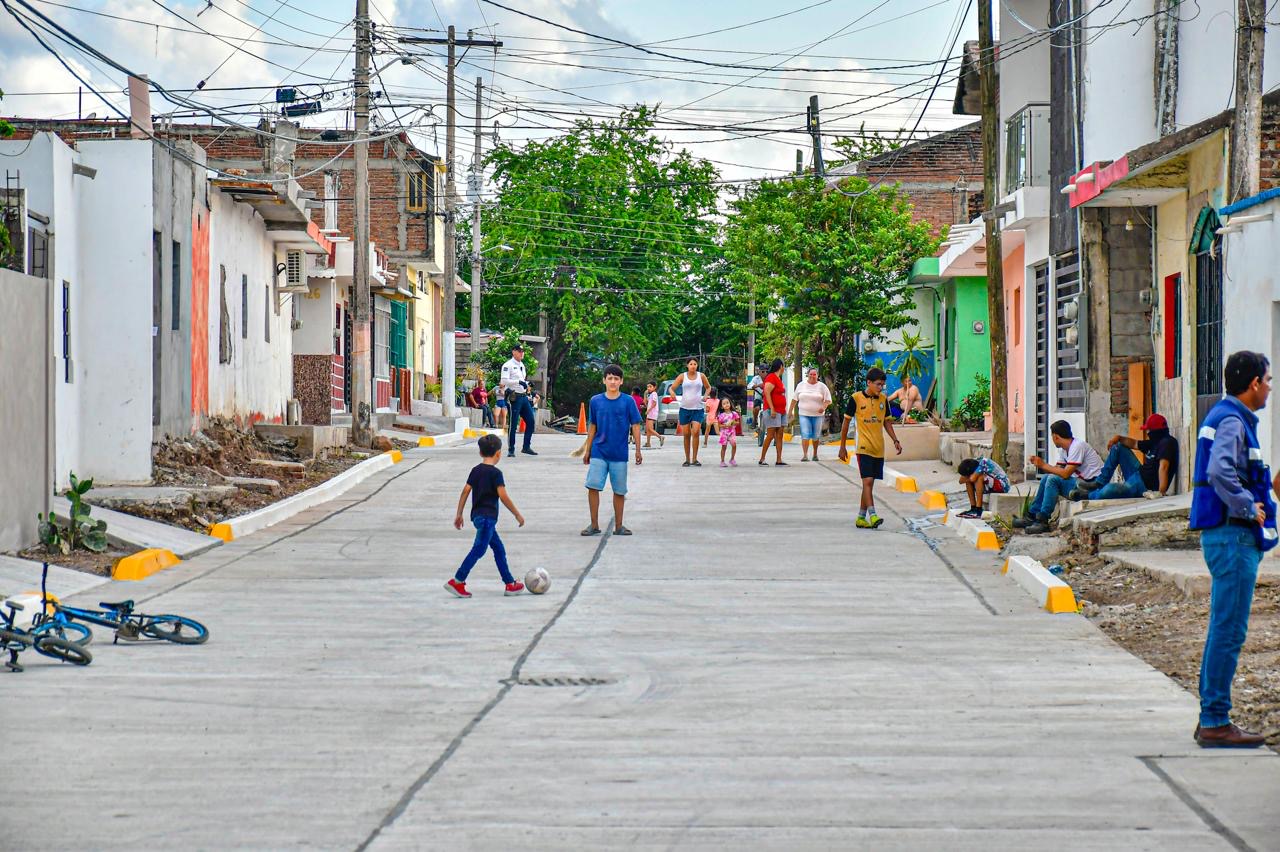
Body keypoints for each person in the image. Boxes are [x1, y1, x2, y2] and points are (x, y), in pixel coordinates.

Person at [1188, 351, 1278, 748]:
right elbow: (1219, 470)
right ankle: (1214, 720)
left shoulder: (1228, 417)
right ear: (1254, 383)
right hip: (1232, 536)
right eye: (1268, 381)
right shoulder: (1231, 420)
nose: (1270, 388)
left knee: (1223, 627)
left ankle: (1213, 716)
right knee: (1229, 629)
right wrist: (1246, 506)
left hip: (1228, 536)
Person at [445, 434, 526, 598]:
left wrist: (459, 514)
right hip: (488, 519)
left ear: (480, 453)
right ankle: (458, 580)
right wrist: (517, 514)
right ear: (498, 453)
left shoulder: (476, 470)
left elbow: (465, 491)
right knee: (479, 549)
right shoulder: (496, 474)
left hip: (478, 517)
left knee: (498, 549)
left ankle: (509, 583)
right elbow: (503, 496)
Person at [582, 364, 643, 536]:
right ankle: (594, 525)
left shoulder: (628, 401)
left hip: (619, 454)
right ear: (604, 380)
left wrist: (638, 450)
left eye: (616, 378)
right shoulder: (595, 401)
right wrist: (588, 450)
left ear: (621, 381)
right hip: (599, 451)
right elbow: (592, 426)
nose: (613, 382)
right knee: (593, 486)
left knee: (619, 490)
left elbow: (636, 426)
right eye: (610, 378)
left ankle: (619, 526)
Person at [838, 367, 902, 528]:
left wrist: (895, 440)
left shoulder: (883, 400)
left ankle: (861, 517)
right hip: (863, 447)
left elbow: (887, 422)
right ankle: (873, 515)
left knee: (869, 484)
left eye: (882, 385)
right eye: (878, 384)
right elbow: (845, 423)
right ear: (869, 382)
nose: (881, 387)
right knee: (867, 481)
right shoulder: (856, 398)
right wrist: (842, 446)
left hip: (878, 448)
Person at [1015, 420, 1104, 534]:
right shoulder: (1064, 450)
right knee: (1047, 478)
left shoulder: (1077, 446)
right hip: (1081, 484)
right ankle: (1032, 516)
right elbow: (1057, 470)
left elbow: (1065, 473)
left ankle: (1043, 520)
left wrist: (1043, 465)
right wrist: (1041, 465)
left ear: (1055, 436)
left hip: (1091, 487)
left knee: (1052, 479)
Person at [1070, 414, 1179, 501]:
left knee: (1109, 490)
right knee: (1118, 447)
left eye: (1149, 430)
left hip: (1143, 486)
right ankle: (1099, 483)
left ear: (1156, 431)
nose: (1147, 433)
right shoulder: (1155, 442)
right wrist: (1119, 438)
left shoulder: (1167, 443)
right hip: (1138, 473)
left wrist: (1161, 492)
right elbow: (1134, 444)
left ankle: (1087, 496)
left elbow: (1164, 467)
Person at [671, 358, 711, 467]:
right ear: (687, 365)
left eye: (695, 364)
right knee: (686, 434)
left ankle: (695, 459)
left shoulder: (701, 376)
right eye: (691, 364)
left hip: (698, 408)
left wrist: (706, 395)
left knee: (696, 431)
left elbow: (708, 387)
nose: (693, 366)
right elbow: (672, 388)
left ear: (697, 365)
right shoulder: (682, 376)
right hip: (685, 409)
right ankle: (687, 459)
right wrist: (672, 393)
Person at [500, 344, 537, 456]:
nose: (522, 353)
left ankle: (526, 447)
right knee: (513, 424)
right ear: (514, 352)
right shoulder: (508, 365)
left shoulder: (522, 365)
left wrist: (527, 383)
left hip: (523, 396)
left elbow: (522, 380)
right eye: (519, 351)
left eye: (522, 351)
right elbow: (504, 381)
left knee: (531, 421)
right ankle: (511, 449)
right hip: (514, 397)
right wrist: (518, 382)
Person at [790, 367, 832, 462]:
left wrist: (823, 407)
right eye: (811, 374)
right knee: (805, 433)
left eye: (814, 374)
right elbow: (794, 399)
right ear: (808, 375)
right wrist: (790, 411)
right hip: (804, 414)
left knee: (816, 435)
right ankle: (805, 455)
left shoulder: (822, 386)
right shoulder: (801, 385)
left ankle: (815, 454)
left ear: (817, 376)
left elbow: (828, 400)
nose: (812, 376)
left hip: (818, 415)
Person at [757, 358, 789, 466]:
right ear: (780, 366)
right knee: (770, 434)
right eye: (783, 366)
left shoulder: (778, 378)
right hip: (773, 410)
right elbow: (767, 392)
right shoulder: (771, 377)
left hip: (781, 410)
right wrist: (772, 408)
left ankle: (779, 459)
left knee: (780, 435)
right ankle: (762, 458)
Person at [716, 396, 740, 467]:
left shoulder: (734, 414)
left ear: (730, 403)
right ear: (721, 406)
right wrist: (725, 425)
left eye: (727, 403)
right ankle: (722, 461)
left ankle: (732, 459)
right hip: (724, 433)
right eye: (724, 404)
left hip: (732, 432)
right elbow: (719, 425)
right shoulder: (721, 415)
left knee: (734, 445)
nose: (726, 404)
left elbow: (738, 422)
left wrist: (733, 422)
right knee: (724, 447)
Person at [643, 381, 664, 449]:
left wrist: (648, 410)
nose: (648, 388)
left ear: (655, 387)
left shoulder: (654, 394)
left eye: (650, 386)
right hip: (650, 413)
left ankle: (660, 437)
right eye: (647, 387)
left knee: (650, 429)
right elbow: (646, 403)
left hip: (652, 413)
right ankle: (648, 443)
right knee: (647, 429)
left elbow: (654, 404)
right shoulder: (651, 394)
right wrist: (645, 394)